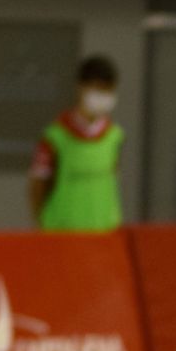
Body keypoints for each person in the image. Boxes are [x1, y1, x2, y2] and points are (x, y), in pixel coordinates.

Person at [28, 55, 124, 232]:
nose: (103, 95)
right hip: (63, 234)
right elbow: (37, 186)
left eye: (108, 90)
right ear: (81, 88)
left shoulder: (114, 136)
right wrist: (41, 222)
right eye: (98, 88)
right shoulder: (55, 137)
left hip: (104, 233)